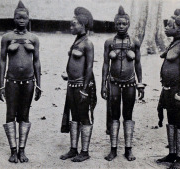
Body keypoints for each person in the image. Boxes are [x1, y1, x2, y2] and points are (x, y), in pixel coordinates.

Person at [0, 0, 41, 163]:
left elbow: (37, 61)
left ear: (29, 18)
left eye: (24, 17)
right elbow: (2, 61)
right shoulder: (7, 37)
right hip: (11, 81)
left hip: (29, 81)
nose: (21, 19)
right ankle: (12, 150)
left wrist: (39, 84)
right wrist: (1, 84)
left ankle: (22, 150)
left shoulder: (34, 38)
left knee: (24, 114)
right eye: (18, 17)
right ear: (14, 18)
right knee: (10, 113)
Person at [101, 6, 145, 161]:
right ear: (115, 25)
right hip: (113, 83)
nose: (121, 26)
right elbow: (106, 64)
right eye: (118, 24)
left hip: (130, 84)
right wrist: (102, 85)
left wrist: (140, 83)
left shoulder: (135, 42)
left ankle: (128, 149)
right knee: (114, 115)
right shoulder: (108, 43)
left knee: (128, 114)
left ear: (128, 24)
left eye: (124, 24)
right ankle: (113, 149)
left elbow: (138, 64)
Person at [156, 9, 180, 169]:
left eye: (169, 26)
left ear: (179, 28)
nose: (166, 28)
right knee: (170, 120)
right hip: (168, 88)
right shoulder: (174, 43)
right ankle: (172, 154)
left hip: (177, 90)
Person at [60, 7, 96, 162]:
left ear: (83, 25)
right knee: (74, 116)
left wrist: (85, 89)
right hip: (72, 84)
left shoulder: (88, 43)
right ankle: (73, 149)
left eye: (74, 25)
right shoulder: (77, 41)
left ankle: (85, 151)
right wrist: (67, 74)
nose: (71, 27)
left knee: (83, 116)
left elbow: (89, 67)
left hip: (81, 85)